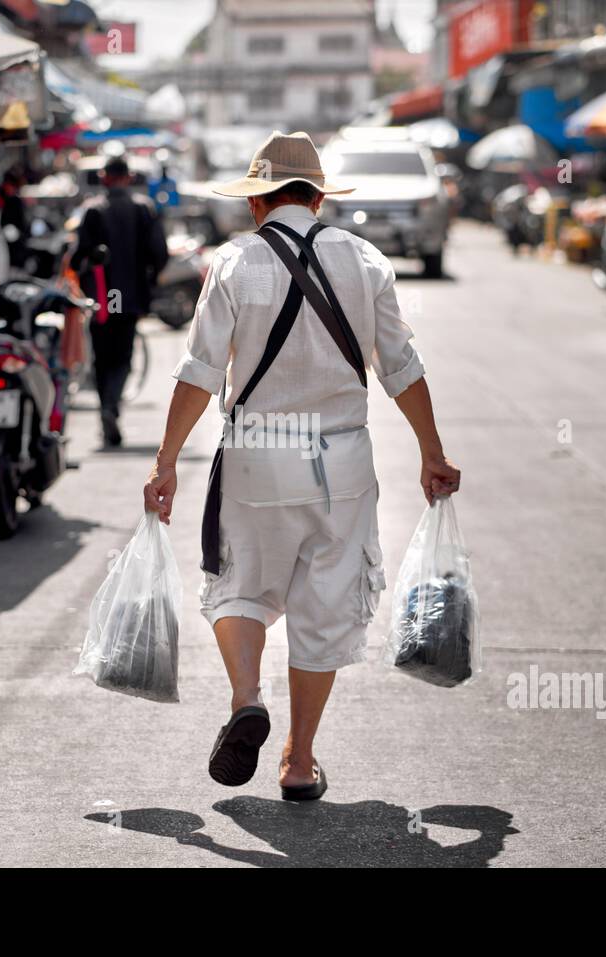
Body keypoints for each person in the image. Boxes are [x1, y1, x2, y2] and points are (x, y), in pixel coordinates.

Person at [142, 131, 460, 801]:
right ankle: (297, 759)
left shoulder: (232, 263)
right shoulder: (366, 260)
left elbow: (199, 373)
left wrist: (166, 461)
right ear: (318, 197)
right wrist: (432, 451)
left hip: (257, 453)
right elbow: (402, 368)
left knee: (237, 586)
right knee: (322, 607)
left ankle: (246, 695)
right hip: (341, 461)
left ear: (259, 202)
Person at [71, 155, 169, 447]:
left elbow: (78, 258)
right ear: (128, 177)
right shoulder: (143, 209)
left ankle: (107, 406)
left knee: (102, 359)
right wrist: (148, 282)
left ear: (104, 178)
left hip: (102, 300)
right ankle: (112, 405)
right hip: (131, 298)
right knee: (123, 358)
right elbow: (160, 254)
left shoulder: (92, 211)